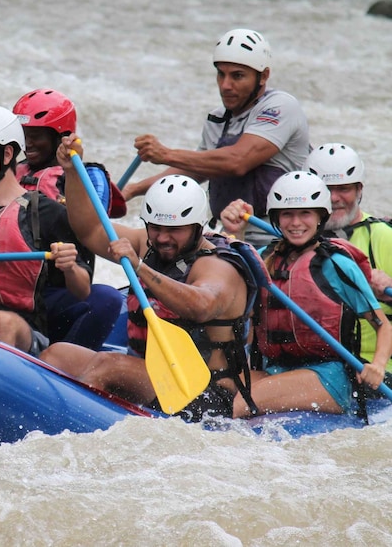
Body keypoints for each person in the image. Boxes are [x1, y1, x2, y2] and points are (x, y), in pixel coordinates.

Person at [43, 140, 257, 420]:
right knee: (56, 355)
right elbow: (90, 229)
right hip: (153, 375)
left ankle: (67, 428)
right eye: (156, 228)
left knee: (109, 366)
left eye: (174, 230)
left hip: (202, 390)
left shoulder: (217, 265)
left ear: (197, 227)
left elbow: (201, 305)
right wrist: (72, 172)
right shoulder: (149, 244)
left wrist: (139, 267)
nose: (163, 238)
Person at [220, 171, 391, 418]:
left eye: (305, 214)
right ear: (276, 218)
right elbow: (230, 289)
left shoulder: (337, 264)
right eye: (287, 214)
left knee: (241, 403)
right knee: (217, 387)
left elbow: (383, 325)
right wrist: (235, 234)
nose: (296, 223)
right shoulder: (265, 257)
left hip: (327, 375)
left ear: (320, 217)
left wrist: (377, 365)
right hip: (276, 368)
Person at [124, 28, 311, 247]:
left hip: (280, 236)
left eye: (237, 76)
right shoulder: (218, 118)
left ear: (264, 76)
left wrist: (165, 154)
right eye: (221, 74)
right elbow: (196, 167)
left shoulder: (280, 107)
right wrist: (132, 190)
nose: (225, 85)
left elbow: (237, 161)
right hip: (231, 232)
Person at [0, 105, 93, 355]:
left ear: (6, 154)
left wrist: (69, 267)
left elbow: (83, 290)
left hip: (22, 331)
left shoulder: (46, 213)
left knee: (1, 322)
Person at [12, 88, 125, 350]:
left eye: (36, 136)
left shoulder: (85, 178)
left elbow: (92, 227)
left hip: (60, 289)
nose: (27, 144)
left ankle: (67, 366)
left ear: (60, 137)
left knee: (107, 299)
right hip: (15, 287)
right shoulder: (8, 172)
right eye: (23, 136)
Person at [303, 142, 392, 384]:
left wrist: (388, 294)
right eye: (324, 190)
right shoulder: (294, 239)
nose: (334, 198)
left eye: (344, 189)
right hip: (316, 367)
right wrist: (233, 232)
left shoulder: (385, 236)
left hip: (377, 370)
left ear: (359, 189)